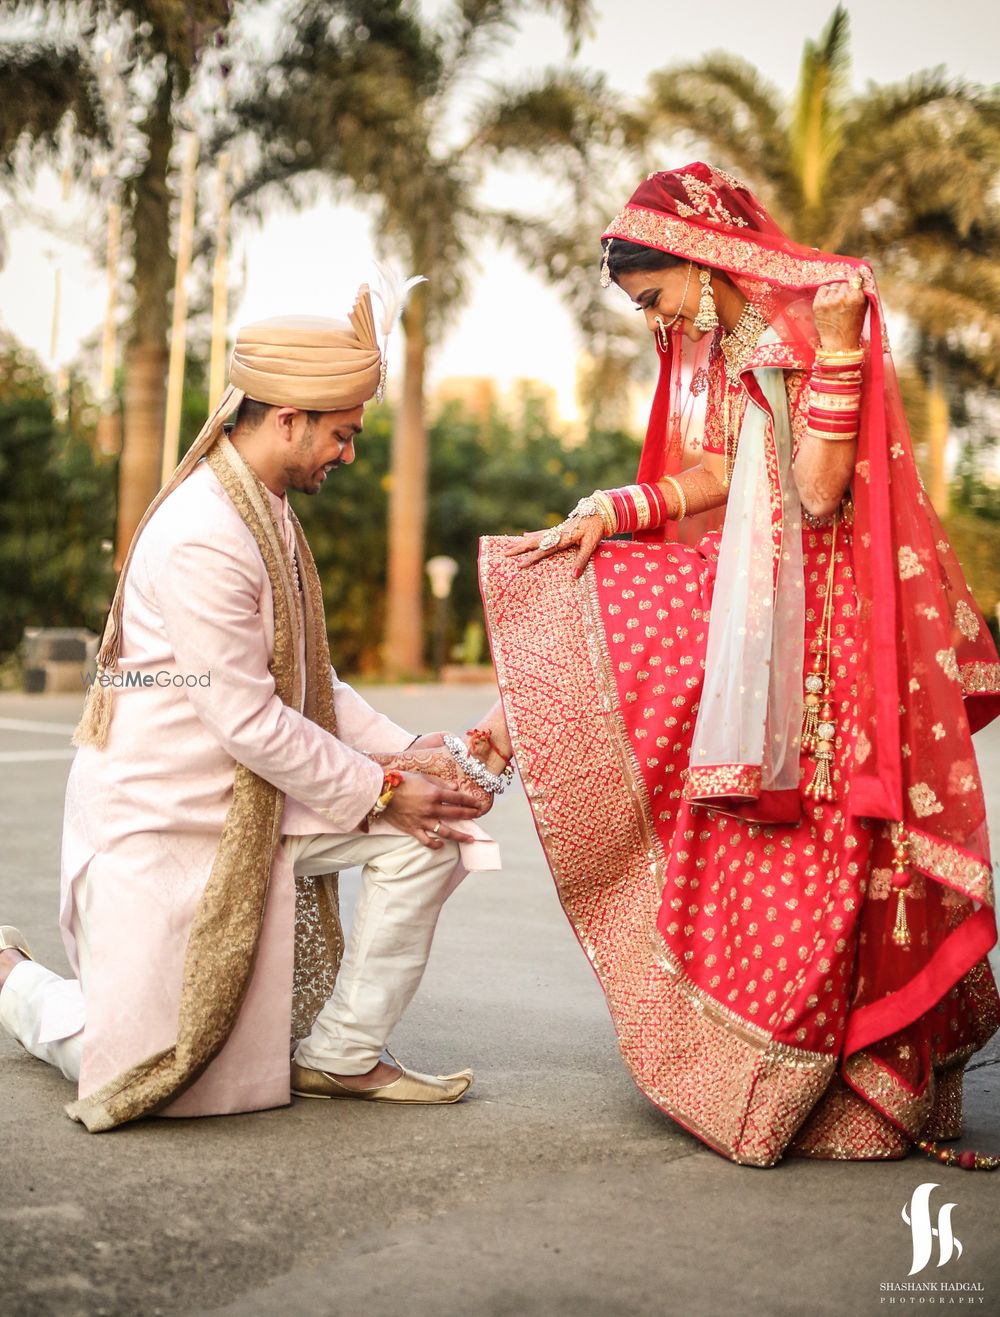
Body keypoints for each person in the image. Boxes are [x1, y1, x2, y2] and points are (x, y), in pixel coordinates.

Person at [475, 163, 1000, 1168]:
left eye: (655, 298)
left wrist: (839, 356)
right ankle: (752, 1070)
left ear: (698, 263)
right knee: (606, 596)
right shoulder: (724, 343)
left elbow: (812, 490)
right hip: (760, 602)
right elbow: (718, 471)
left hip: (821, 628)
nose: (655, 324)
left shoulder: (807, 327)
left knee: (828, 848)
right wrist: (612, 511)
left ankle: (839, 1085)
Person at [0, 285, 501, 1131]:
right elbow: (250, 719)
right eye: (341, 433)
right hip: (170, 814)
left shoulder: (263, 508)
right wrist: (383, 786)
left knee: (437, 833)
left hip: (250, 792)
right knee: (148, 1074)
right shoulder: (207, 531)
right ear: (288, 419)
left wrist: (412, 749)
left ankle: (340, 1055)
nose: (347, 453)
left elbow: (311, 681)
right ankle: (11, 978)